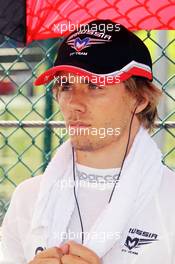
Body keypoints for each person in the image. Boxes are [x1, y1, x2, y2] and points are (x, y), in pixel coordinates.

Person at [1, 19, 175, 264]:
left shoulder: (169, 200)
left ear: (140, 99)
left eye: (94, 85)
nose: (74, 103)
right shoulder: (28, 197)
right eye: (65, 85)